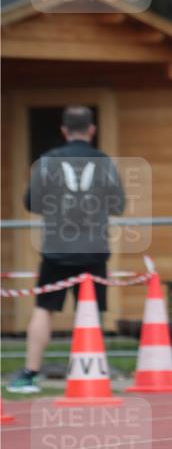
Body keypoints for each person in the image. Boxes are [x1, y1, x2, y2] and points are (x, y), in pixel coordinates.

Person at [8, 105, 125, 393]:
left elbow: (31, 203)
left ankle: (30, 373)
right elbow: (118, 205)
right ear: (92, 130)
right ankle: (89, 371)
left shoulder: (48, 161)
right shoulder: (104, 162)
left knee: (43, 309)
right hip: (95, 248)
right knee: (91, 312)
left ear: (63, 130)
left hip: (56, 248)